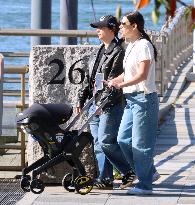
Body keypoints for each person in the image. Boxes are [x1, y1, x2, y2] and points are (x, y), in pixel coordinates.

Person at [77, 15, 135, 189]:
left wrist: (102, 105)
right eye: (97, 28)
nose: (98, 31)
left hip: (109, 105)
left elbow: (113, 82)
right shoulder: (99, 50)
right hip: (94, 103)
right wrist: (81, 98)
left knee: (106, 141)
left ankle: (128, 171)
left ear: (112, 30)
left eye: (101, 28)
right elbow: (89, 78)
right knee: (98, 143)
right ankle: (105, 178)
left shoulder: (119, 52)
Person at [107, 11, 160, 195]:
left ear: (134, 26)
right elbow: (129, 73)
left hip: (144, 99)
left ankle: (145, 185)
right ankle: (149, 172)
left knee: (140, 144)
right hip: (131, 99)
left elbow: (142, 75)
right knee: (122, 139)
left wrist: (121, 84)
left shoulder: (144, 45)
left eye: (123, 24)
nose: (119, 26)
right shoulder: (130, 45)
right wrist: (114, 80)